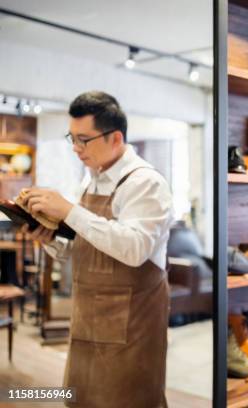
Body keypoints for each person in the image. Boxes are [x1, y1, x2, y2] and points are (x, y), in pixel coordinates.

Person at [23, 91, 172, 407]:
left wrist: (69, 211)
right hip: (87, 322)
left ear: (115, 138)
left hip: (132, 332)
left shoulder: (145, 183)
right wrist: (50, 239)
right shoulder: (89, 181)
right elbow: (85, 249)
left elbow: (134, 248)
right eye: (72, 138)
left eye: (83, 139)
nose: (76, 149)